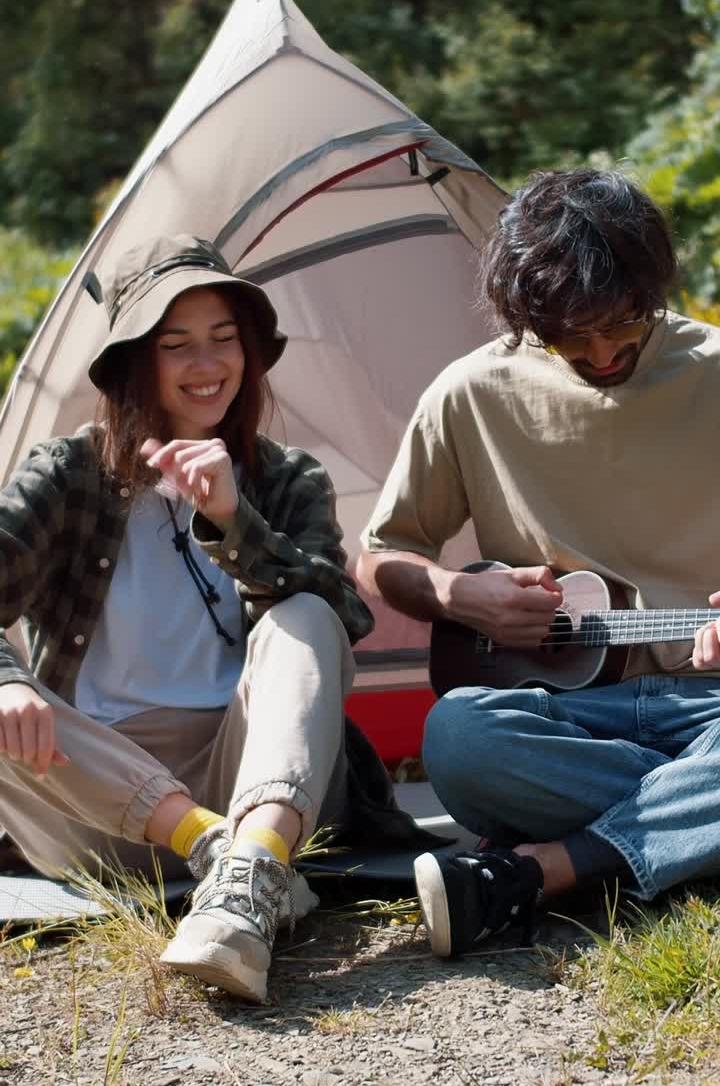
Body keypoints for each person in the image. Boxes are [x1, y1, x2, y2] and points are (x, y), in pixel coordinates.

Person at [0, 233, 375, 1002]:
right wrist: (9, 681)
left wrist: (235, 521)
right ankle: (223, 856)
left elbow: (344, 621)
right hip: (98, 800)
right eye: (177, 345)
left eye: (224, 340)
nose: (207, 366)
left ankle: (251, 867)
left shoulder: (286, 477)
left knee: (305, 611)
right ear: (135, 360)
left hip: (260, 781)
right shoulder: (67, 474)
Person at [357, 167, 720, 959]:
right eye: (568, 334)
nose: (601, 352)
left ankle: (543, 871)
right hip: (568, 722)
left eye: (622, 321)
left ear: (651, 282)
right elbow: (381, 558)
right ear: (526, 317)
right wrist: (460, 594)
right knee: (457, 736)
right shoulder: (469, 393)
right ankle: (688, 833)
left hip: (713, 707)